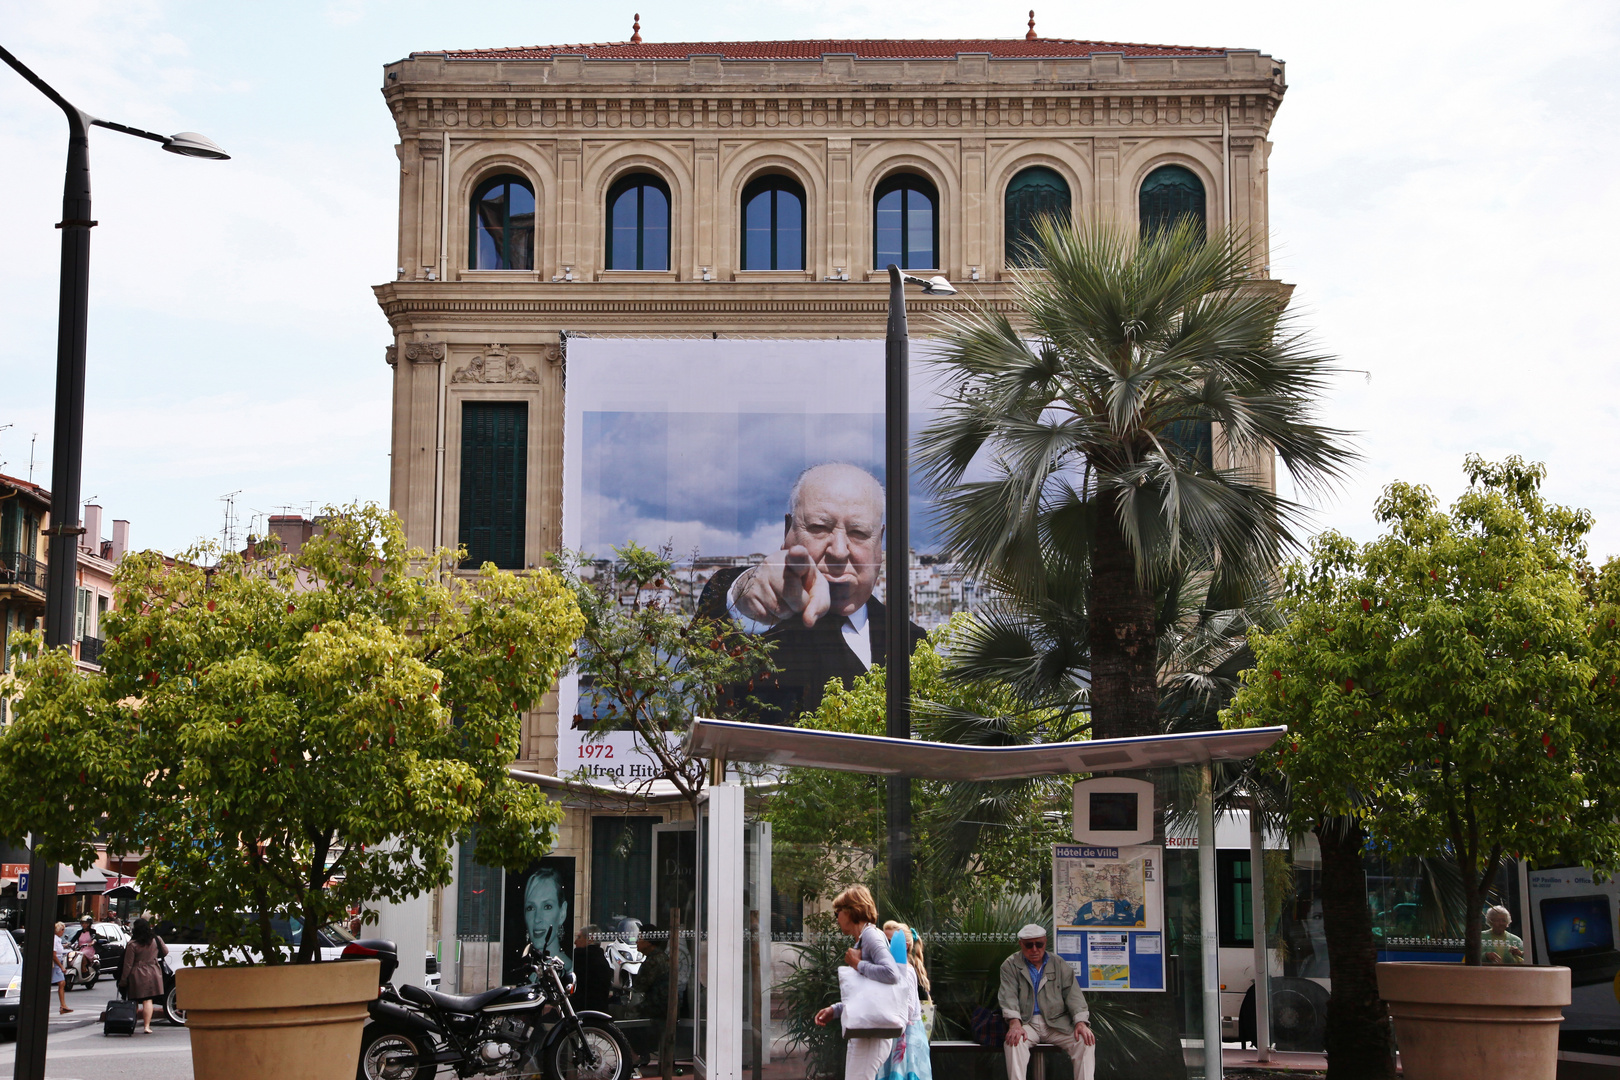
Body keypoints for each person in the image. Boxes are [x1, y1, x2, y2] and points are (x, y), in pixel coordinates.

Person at [698, 463, 927, 724]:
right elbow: (721, 618)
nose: (839, 551)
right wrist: (746, 596)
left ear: (880, 543)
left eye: (859, 532)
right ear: (788, 532)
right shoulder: (758, 617)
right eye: (819, 527)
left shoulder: (912, 643)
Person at [813, 886, 902, 1080]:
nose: (837, 918)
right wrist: (836, 1010)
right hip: (867, 1032)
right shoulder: (865, 937)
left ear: (850, 910)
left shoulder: (870, 935)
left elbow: (891, 973)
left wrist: (857, 963)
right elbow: (867, 992)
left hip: (871, 1035)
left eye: (837, 912)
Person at [999, 924, 1094, 1080]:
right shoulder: (1010, 965)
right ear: (1021, 944)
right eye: (1029, 945)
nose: (1034, 949)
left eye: (1039, 944)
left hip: (1057, 1022)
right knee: (1013, 1042)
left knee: (1085, 1040)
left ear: (1045, 942)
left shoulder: (1059, 963)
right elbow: (1008, 995)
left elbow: (1073, 994)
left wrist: (1081, 1022)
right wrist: (1014, 1023)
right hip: (1026, 1023)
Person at [877, 922, 932, 1080]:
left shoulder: (905, 971)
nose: (885, 947)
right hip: (898, 1033)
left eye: (890, 942)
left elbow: (906, 1009)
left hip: (905, 1036)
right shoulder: (896, 969)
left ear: (905, 945)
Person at [119, 917, 168, 1033]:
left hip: (137, 972)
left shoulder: (133, 944)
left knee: (134, 999)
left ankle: (133, 1023)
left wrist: (123, 979)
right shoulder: (156, 939)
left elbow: (128, 964)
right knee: (148, 1000)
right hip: (153, 971)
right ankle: (147, 1026)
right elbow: (165, 952)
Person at [523, 867, 570, 961]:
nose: (537, 919)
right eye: (531, 908)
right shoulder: (525, 970)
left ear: (562, 912)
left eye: (547, 907)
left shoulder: (568, 971)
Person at [572, 925, 615, 1013]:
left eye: (579, 937)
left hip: (579, 1011)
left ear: (590, 939)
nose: (575, 942)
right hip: (600, 1010)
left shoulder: (579, 958)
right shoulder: (602, 959)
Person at [50, 922, 71, 1014]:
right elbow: (54, 955)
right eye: (62, 930)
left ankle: (63, 1005)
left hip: (58, 961)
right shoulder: (54, 939)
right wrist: (61, 966)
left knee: (62, 983)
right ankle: (63, 1005)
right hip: (56, 962)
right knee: (62, 983)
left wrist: (64, 947)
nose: (63, 932)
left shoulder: (57, 939)